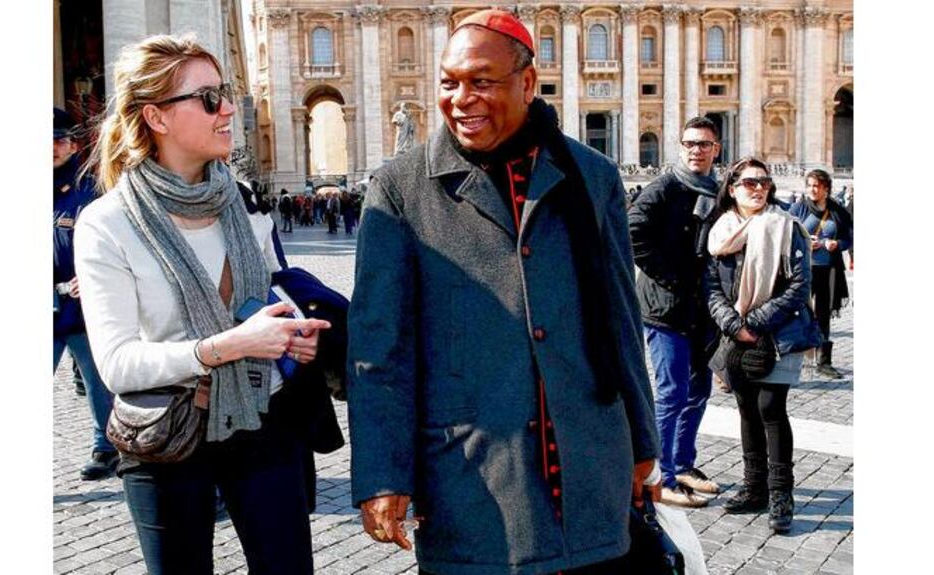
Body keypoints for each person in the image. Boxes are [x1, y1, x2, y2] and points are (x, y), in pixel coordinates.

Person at [347, 11, 660, 574]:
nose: (461, 98)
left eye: (481, 81)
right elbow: (379, 349)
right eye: (449, 82)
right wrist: (382, 474)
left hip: (589, 459)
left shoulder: (593, 174)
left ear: (528, 84)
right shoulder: (398, 189)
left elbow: (620, 316)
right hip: (474, 477)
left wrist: (642, 443)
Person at [73, 35, 334, 575]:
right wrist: (227, 346)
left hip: (263, 416)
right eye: (209, 98)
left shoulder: (240, 197)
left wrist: (289, 335)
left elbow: (262, 302)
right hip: (169, 434)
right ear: (157, 117)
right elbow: (118, 364)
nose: (230, 110)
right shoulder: (108, 223)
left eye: (227, 94)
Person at [705, 157, 822, 534]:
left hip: (780, 331)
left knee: (771, 406)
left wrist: (753, 323)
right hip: (737, 332)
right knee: (746, 409)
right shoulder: (719, 230)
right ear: (733, 187)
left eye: (764, 183)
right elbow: (710, 285)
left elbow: (799, 285)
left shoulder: (787, 227)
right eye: (750, 182)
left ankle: (781, 493)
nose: (759, 189)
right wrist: (733, 324)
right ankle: (753, 486)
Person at [628, 116, 723, 507]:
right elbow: (633, 232)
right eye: (689, 144)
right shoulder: (663, 188)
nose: (696, 150)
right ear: (679, 147)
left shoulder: (718, 190)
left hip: (701, 309)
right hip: (665, 308)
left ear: (716, 148)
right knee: (671, 392)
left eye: (703, 144)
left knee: (698, 390)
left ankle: (684, 462)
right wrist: (671, 278)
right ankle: (662, 476)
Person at [53, 106, 119, 480]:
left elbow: (110, 238)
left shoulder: (91, 186)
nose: (52, 148)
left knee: (97, 382)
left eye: (59, 140)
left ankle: (106, 447)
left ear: (74, 144)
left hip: (80, 305)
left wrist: (91, 274)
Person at [789, 169, 853, 379]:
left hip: (829, 270)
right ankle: (795, 357)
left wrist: (838, 244)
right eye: (809, 185)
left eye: (816, 186)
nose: (812, 190)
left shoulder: (838, 211)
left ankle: (824, 361)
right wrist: (805, 243)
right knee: (797, 312)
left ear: (826, 188)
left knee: (823, 315)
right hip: (802, 270)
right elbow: (787, 233)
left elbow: (849, 238)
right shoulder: (799, 208)